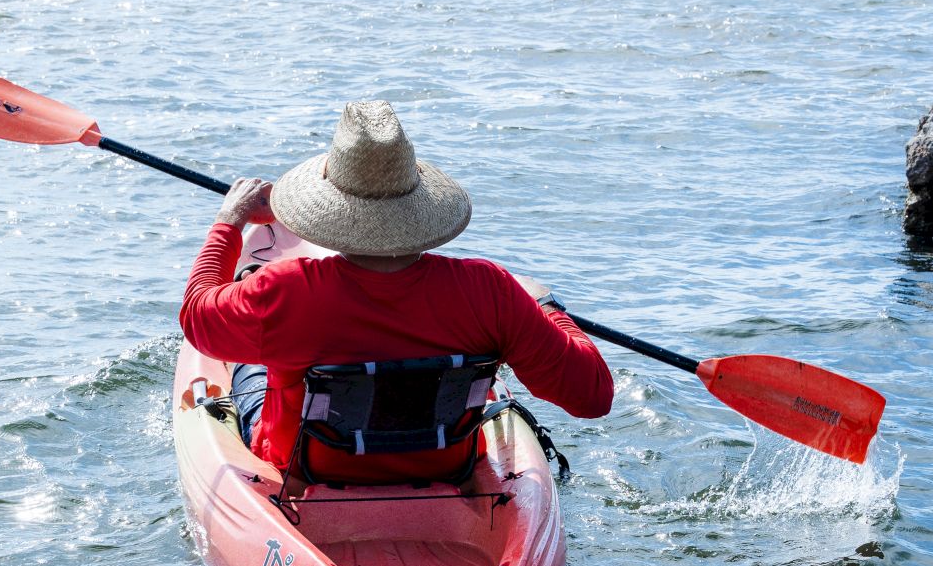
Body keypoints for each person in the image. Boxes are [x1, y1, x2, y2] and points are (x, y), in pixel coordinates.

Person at [179, 100, 612, 483]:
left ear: (331, 210)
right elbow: (591, 397)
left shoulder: (286, 289)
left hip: (305, 467)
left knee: (246, 366)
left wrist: (229, 221)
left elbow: (196, 319)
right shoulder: (491, 290)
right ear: (419, 205)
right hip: (444, 468)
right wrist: (544, 305)